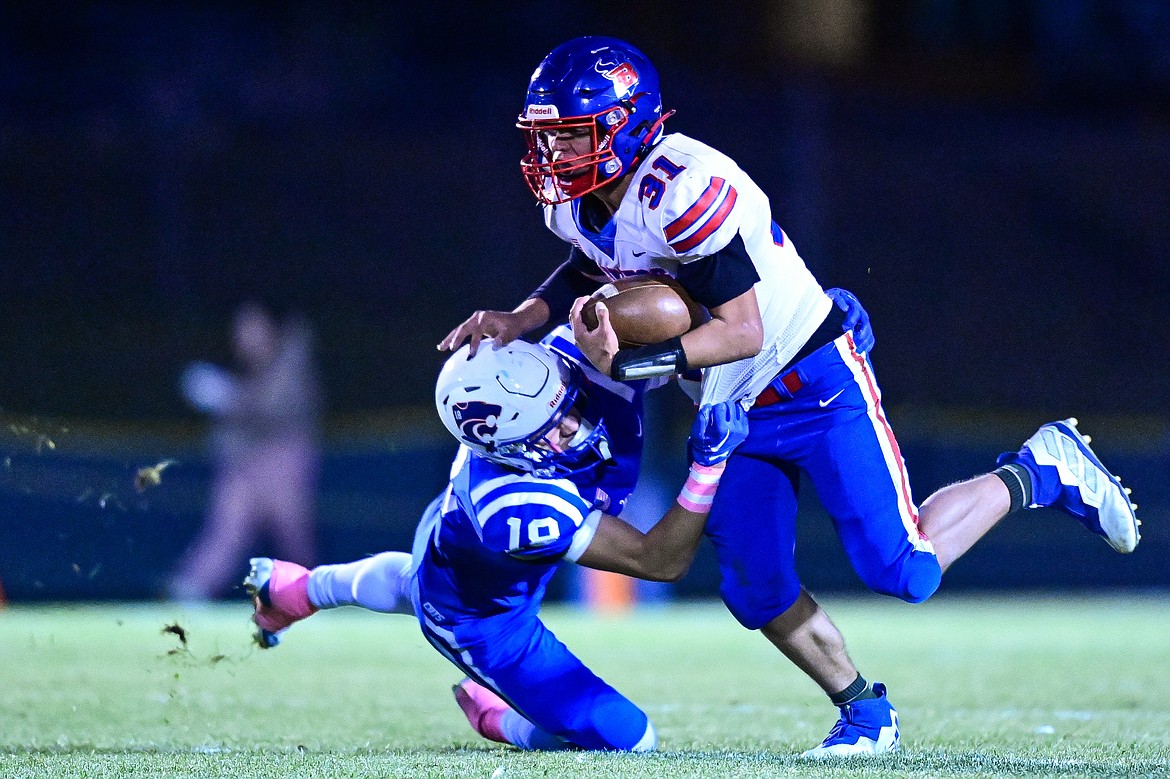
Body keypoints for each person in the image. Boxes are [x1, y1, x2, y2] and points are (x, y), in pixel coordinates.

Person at [438, 36, 1142, 757]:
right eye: (547, 138)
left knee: (904, 569)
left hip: (807, 379)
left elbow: (741, 330)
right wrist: (519, 317)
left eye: (570, 136)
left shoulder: (682, 186)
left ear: (625, 123)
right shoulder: (580, 204)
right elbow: (587, 267)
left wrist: (643, 364)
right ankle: (866, 713)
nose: (553, 155)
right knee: (755, 587)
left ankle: (1040, 468)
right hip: (731, 402)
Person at [245, 329, 748, 752]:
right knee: (628, 739)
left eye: (568, 407)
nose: (574, 427)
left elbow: (646, 323)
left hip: (449, 546)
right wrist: (707, 469)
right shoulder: (516, 509)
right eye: (551, 431)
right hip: (482, 619)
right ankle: (498, 720)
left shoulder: (550, 366)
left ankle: (297, 591)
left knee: (414, 578)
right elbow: (658, 562)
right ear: (510, 448)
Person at [168, 302, 322, 602]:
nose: (243, 338)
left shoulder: (290, 362)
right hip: (248, 467)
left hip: (284, 465)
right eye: (239, 331)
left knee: (292, 534)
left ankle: (314, 593)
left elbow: (274, 407)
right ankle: (191, 587)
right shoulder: (254, 372)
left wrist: (225, 397)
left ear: (269, 330)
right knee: (227, 528)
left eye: (251, 329)